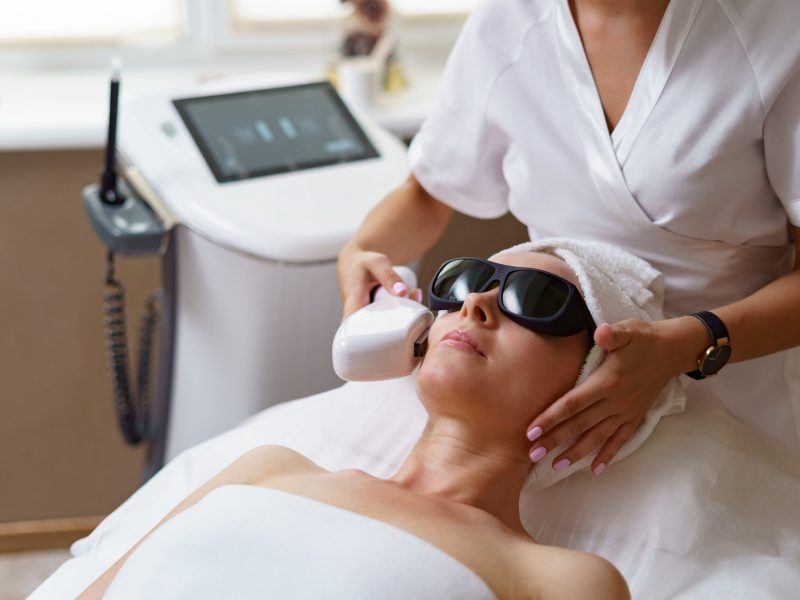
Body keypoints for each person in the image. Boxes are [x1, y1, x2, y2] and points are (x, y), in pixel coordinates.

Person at [337, 0, 800, 474]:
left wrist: (687, 344)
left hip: (730, 391)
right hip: (549, 407)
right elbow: (429, 192)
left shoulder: (778, 31)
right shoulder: (508, 20)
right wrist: (363, 250)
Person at [78, 250, 630, 600]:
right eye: (464, 281)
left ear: (594, 378)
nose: (478, 303)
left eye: (535, 299)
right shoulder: (269, 466)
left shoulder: (562, 582)